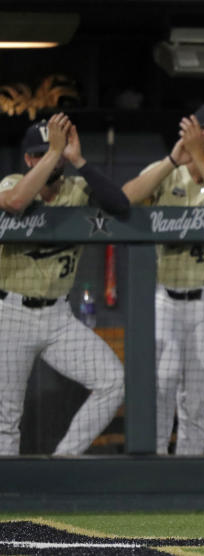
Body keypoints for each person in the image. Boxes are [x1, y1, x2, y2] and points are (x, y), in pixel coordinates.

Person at [122, 103, 204, 455]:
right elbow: (125, 198)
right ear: (192, 131)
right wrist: (173, 159)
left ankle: (189, 466)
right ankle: (155, 464)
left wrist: (198, 153)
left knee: (195, 396)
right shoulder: (165, 172)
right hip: (165, 298)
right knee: (162, 386)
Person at [0, 114, 129, 455]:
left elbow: (120, 205)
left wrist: (77, 159)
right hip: (11, 313)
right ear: (29, 159)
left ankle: (63, 460)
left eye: (55, 151)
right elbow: (15, 202)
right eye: (43, 152)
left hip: (58, 317)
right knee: (5, 418)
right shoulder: (13, 182)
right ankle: (6, 496)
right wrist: (53, 152)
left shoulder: (77, 189)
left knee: (113, 381)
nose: (52, 157)